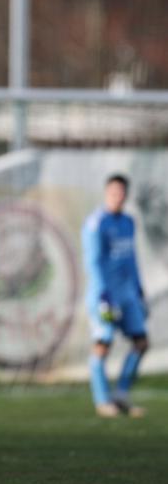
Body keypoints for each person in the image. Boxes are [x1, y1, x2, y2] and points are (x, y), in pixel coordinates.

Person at [82, 174, 148, 418]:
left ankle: (121, 395)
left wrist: (139, 290)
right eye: (113, 192)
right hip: (105, 295)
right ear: (106, 193)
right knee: (103, 344)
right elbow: (93, 262)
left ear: (126, 195)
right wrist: (103, 295)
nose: (117, 197)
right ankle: (102, 401)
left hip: (128, 294)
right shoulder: (95, 223)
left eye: (121, 193)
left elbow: (131, 259)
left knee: (141, 343)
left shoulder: (129, 222)